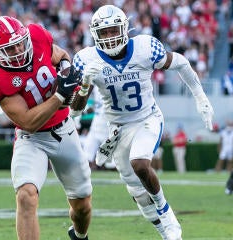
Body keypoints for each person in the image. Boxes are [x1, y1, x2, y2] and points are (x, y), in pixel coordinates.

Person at [71, 5, 214, 240]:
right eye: (104, 32)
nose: (109, 36)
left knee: (140, 163)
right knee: (137, 192)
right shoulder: (86, 59)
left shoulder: (144, 48)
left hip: (147, 119)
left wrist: (200, 97)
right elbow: (75, 111)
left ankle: (166, 213)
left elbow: (180, 62)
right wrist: (85, 84)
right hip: (117, 130)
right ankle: (166, 233)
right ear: (95, 34)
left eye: (113, 30)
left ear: (125, 28)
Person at [0, 16, 92, 240]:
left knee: (82, 206)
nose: (19, 49)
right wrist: (60, 94)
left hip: (65, 130)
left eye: (20, 42)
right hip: (32, 139)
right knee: (26, 196)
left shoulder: (37, 35)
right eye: (10, 48)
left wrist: (66, 71)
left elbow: (61, 55)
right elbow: (28, 122)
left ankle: (79, 235)